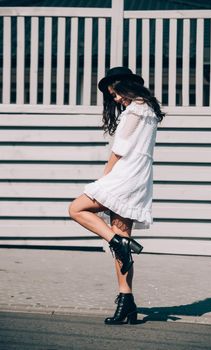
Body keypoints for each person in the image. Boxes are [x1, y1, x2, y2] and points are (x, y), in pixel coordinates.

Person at [68, 66, 165, 325]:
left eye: (116, 93)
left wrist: (104, 178)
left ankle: (117, 241)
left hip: (125, 175)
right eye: (112, 96)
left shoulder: (134, 110)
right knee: (121, 246)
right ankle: (127, 302)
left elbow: (119, 148)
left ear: (127, 87)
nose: (116, 99)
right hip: (140, 178)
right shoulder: (150, 111)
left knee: (76, 209)